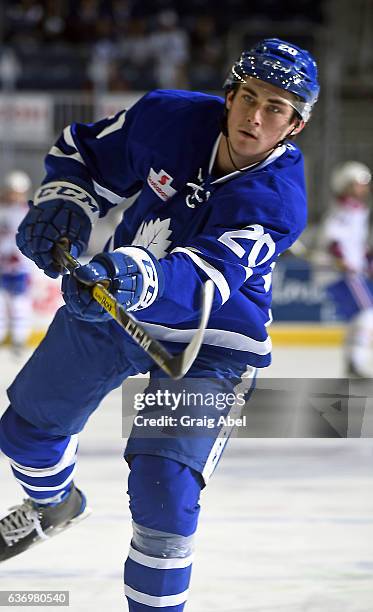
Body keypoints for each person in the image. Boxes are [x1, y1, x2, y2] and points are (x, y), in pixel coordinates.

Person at [0, 38, 319, 610]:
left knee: (164, 493)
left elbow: (202, 279)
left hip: (210, 342)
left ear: (294, 126)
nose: (254, 116)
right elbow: (87, 154)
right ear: (229, 95)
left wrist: (127, 273)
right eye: (248, 97)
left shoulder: (277, 200)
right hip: (115, 303)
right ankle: (54, 505)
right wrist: (66, 204)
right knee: (26, 431)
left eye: (275, 108)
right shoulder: (168, 116)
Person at [319, 161, 372, 378]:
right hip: (339, 274)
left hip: (351, 273)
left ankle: (352, 362)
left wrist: (366, 262)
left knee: (359, 317)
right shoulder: (342, 210)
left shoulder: (357, 210)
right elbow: (334, 241)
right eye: (359, 183)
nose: (364, 188)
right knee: (366, 313)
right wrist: (343, 262)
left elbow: (357, 244)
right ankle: (355, 361)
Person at [0, 170, 33, 352]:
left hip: (19, 268)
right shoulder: (2, 210)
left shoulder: (27, 213)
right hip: (2, 267)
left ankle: (19, 338)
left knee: (19, 304)